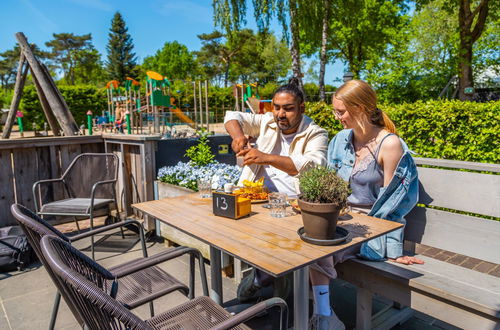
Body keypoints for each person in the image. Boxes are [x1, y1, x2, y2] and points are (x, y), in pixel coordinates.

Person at [308, 80, 424, 330]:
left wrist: (394, 248)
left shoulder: (389, 144)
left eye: (341, 111)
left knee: (318, 249)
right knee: (307, 239)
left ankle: (324, 317)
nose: (337, 117)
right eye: (335, 111)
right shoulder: (341, 139)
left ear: (361, 108)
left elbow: (393, 203)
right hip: (340, 219)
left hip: (371, 226)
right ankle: (322, 313)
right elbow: (329, 186)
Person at [224, 78, 329, 311]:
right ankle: (269, 287)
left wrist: (265, 157)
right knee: (227, 232)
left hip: (295, 207)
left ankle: (265, 285)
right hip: (258, 199)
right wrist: (237, 136)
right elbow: (233, 115)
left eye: (288, 108)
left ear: (301, 108)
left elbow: (313, 166)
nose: (280, 114)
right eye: (276, 107)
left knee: (289, 246)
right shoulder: (267, 122)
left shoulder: (316, 133)